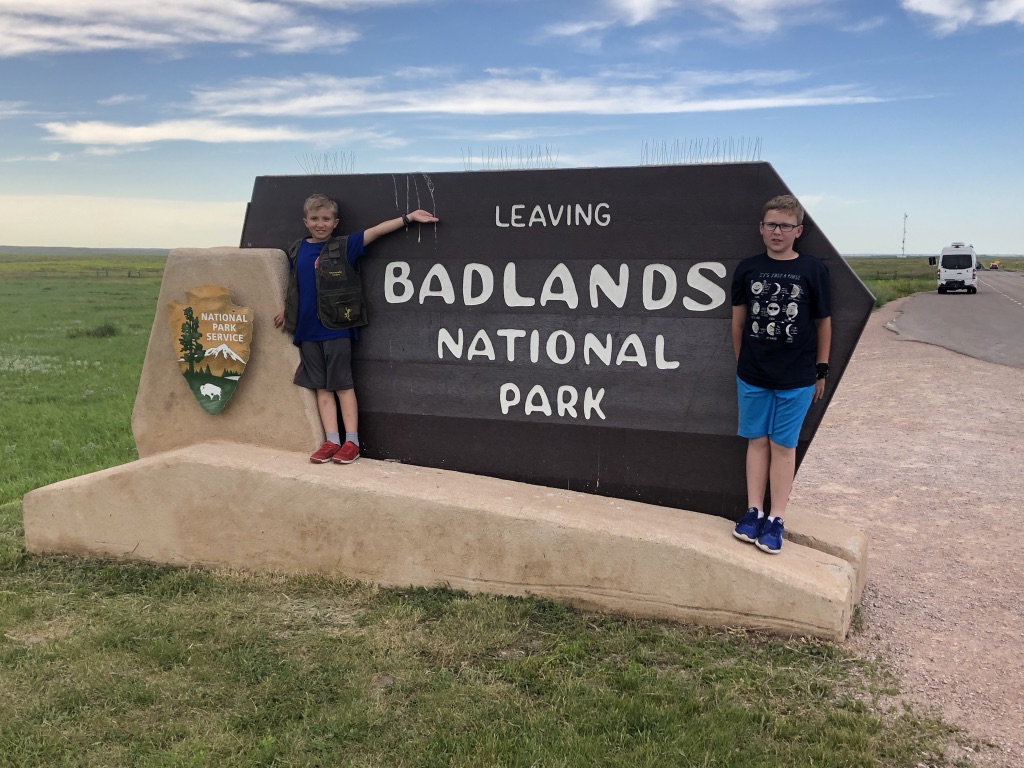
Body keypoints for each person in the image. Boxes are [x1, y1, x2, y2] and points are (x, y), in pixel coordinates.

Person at [273, 193, 439, 465]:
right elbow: (297, 284)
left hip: (336, 329)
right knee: (321, 388)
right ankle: (331, 441)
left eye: (326, 219)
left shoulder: (345, 246)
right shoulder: (297, 249)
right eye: (314, 219)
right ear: (305, 221)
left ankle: (351, 442)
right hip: (307, 332)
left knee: (342, 385)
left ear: (335, 222)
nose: (320, 224)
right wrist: (287, 308)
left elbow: (376, 231)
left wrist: (409, 218)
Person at [730, 194, 831, 554]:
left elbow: (823, 323)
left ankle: (776, 518)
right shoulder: (747, 268)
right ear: (761, 228)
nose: (778, 232)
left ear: (798, 231)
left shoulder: (813, 269)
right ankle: (753, 510)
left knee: (783, 445)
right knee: (756, 441)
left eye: (786, 226)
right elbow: (738, 322)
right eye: (771, 224)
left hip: (797, 377)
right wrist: (743, 364)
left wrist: (821, 370)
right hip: (753, 375)